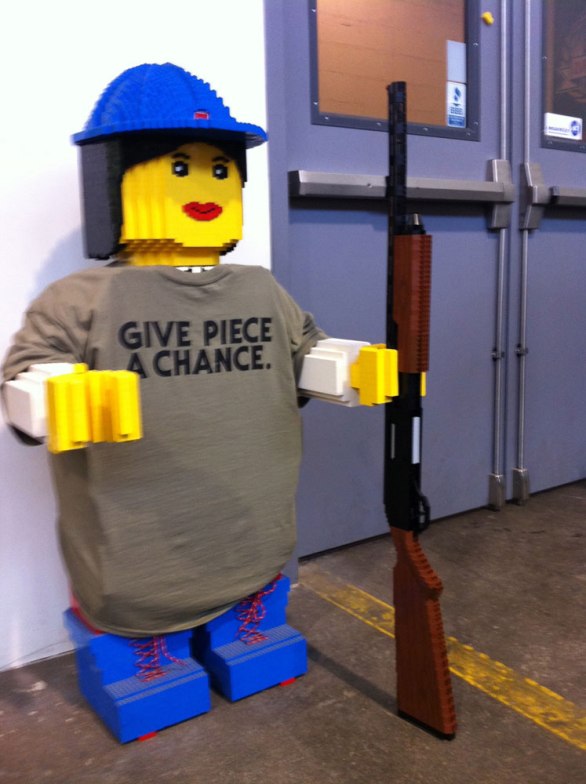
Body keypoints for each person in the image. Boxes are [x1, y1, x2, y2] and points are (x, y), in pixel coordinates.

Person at [2, 63, 391, 741]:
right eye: (179, 168)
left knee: (256, 591)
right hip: (138, 545)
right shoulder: (80, 301)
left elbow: (303, 351)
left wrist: (348, 368)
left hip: (249, 523)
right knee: (143, 639)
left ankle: (247, 628)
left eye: (219, 169)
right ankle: (147, 662)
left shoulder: (262, 289)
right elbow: (24, 380)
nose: (206, 188)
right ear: (114, 179)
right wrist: (55, 394)